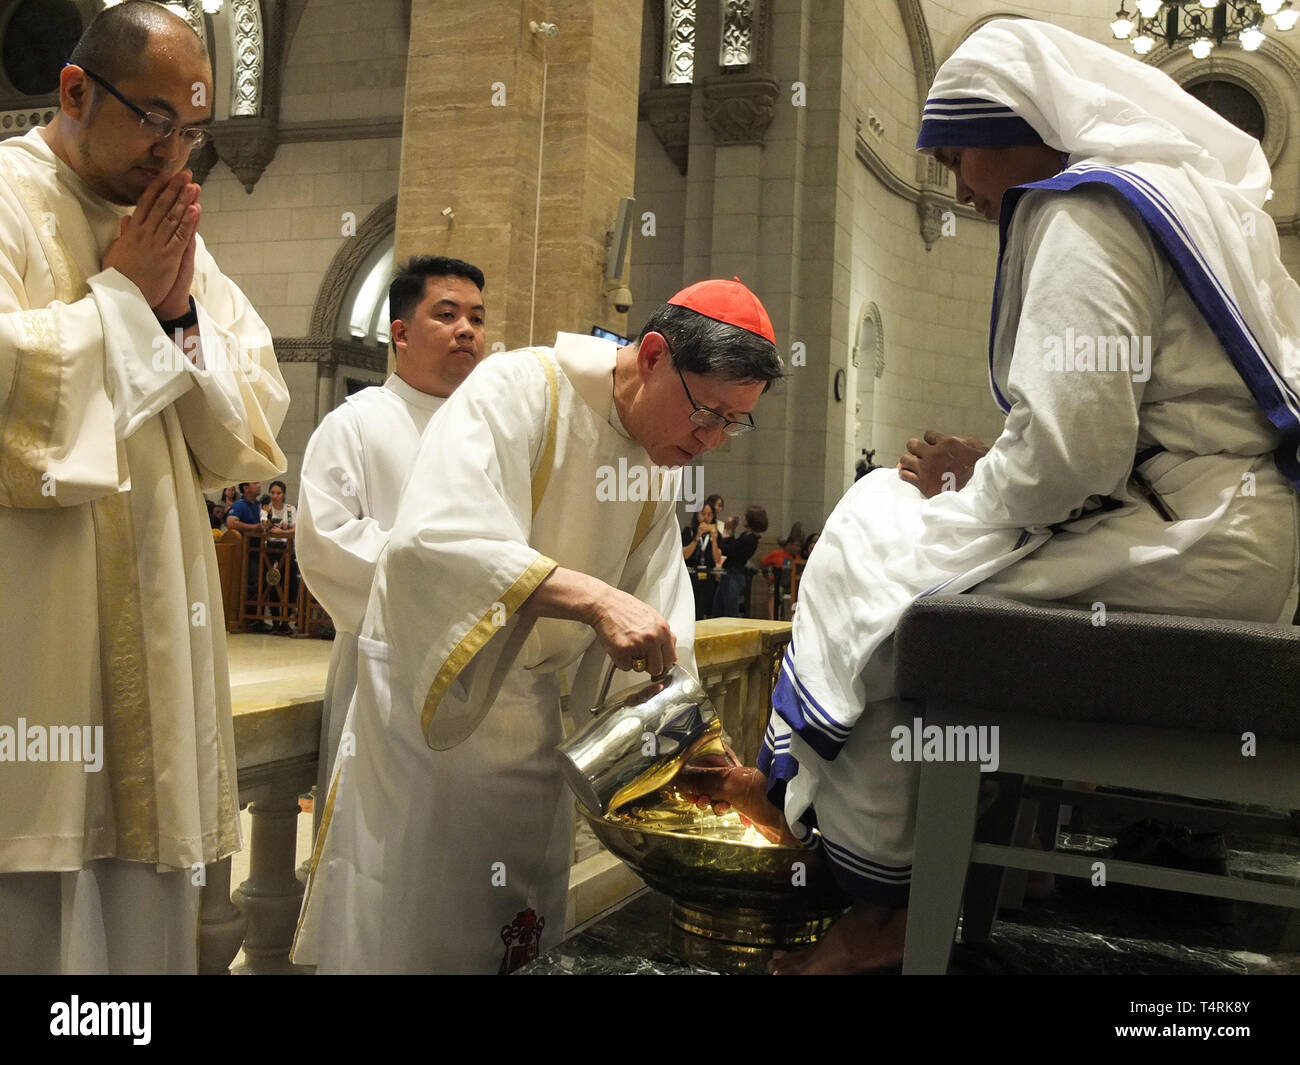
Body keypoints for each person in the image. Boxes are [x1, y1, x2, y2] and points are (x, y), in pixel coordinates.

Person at [683, 19, 1300, 974]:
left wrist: (967, 492)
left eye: (961, 155)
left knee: (881, 557)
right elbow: (1132, 429)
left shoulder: (1083, 208)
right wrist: (984, 468)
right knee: (895, 552)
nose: (962, 189)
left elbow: (1068, 456)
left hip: (1190, 546)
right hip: (1236, 543)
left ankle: (874, 896)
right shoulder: (1185, 199)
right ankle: (885, 838)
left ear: (1019, 125)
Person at [292, 277, 783, 973]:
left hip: (540, 728)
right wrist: (591, 598)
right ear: (650, 357)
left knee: (519, 927)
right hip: (439, 723)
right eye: (707, 412)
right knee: (418, 934)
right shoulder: (519, 390)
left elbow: (659, 614)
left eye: (734, 423)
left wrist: (687, 741)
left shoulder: (660, 463)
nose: (712, 441)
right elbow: (432, 544)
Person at [0, 1, 287, 974]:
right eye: (156, 121)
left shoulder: (171, 230)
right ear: (76, 90)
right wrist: (124, 300)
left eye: (195, 131)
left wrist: (174, 318)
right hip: (34, 657)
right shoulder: (4, 196)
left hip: (162, 655)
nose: (176, 158)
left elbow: (247, 420)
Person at [294, 256, 487, 836]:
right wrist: (455, 573)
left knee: (459, 845)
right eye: (447, 314)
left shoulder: (492, 431)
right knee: (376, 840)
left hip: (484, 663)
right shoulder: (355, 424)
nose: (467, 330)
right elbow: (327, 539)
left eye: (477, 318)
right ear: (400, 333)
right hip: (385, 658)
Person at [713, 504, 768, 617]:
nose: (744, 519)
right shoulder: (746, 536)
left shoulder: (750, 539)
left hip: (734, 575)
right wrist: (731, 531)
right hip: (731, 573)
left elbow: (727, 550)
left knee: (728, 611)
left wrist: (727, 531)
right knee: (719, 608)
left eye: (746, 517)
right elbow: (732, 548)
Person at [681, 500, 722, 619]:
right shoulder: (689, 531)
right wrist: (697, 537)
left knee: (703, 608)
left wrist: (714, 539)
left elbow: (717, 558)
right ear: (697, 514)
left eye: (709, 515)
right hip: (691, 574)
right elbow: (685, 555)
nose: (706, 518)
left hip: (707, 575)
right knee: (689, 608)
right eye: (703, 513)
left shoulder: (715, 533)